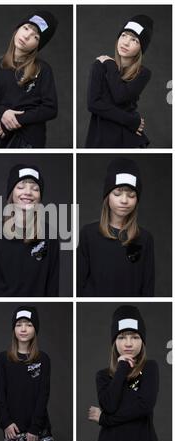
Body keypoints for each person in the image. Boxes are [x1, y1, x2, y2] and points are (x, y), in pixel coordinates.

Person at [77, 158, 155, 296]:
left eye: (131, 195)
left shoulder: (145, 238)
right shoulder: (88, 234)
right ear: (107, 196)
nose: (124, 200)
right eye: (117, 193)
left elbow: (147, 287)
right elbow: (79, 283)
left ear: (137, 200)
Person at [0, 163, 60, 296]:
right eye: (21, 187)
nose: (28, 192)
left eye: (35, 189)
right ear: (11, 193)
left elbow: (52, 286)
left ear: (40, 196)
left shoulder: (50, 235)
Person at [88, 305, 159, 441]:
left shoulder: (149, 367)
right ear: (114, 342)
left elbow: (144, 406)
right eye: (121, 337)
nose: (128, 343)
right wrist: (122, 368)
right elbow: (109, 406)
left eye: (135, 337)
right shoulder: (103, 375)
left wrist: (105, 419)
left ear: (142, 341)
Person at [0, 10, 58, 148]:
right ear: (18, 28)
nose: (26, 36)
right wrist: (3, 113)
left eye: (35, 37)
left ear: (38, 45)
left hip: (30, 140)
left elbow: (50, 109)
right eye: (26, 28)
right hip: (2, 139)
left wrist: (14, 121)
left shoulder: (43, 69)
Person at [85, 15, 153, 148]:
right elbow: (93, 104)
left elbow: (120, 96)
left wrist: (111, 66)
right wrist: (130, 120)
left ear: (141, 48)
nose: (126, 42)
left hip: (128, 138)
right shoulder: (100, 65)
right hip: (102, 136)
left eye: (134, 40)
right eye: (124, 35)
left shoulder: (143, 73)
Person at [0, 306, 52, 441]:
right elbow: (0, 394)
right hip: (13, 429)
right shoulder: (4, 358)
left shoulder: (43, 359)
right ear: (13, 329)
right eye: (18, 324)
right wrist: (6, 422)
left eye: (29, 324)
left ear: (35, 329)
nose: (23, 329)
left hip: (39, 429)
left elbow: (43, 395)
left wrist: (35, 427)